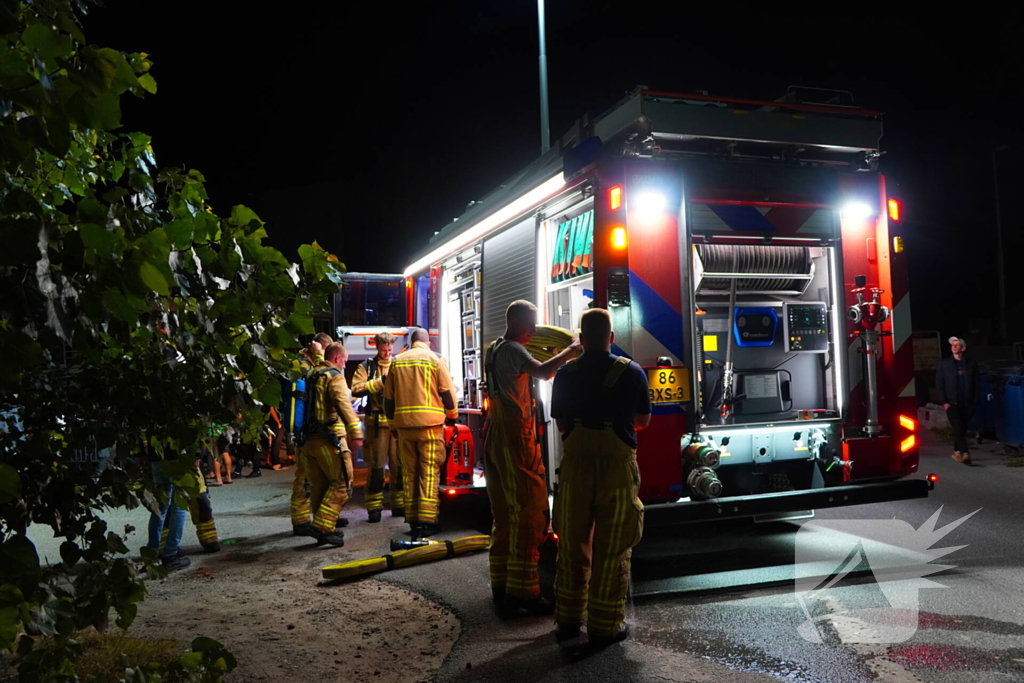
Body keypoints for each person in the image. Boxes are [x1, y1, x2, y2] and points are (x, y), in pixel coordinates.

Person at [550, 308, 650, 646]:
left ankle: (567, 621)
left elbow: (561, 423)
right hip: (617, 469)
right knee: (613, 546)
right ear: (612, 338)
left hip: (576, 467)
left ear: (580, 338)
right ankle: (604, 627)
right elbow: (643, 421)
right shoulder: (633, 372)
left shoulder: (565, 373)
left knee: (572, 543)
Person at [483, 300, 580, 616]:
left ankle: (501, 585)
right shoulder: (513, 350)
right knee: (530, 513)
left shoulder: (494, 349)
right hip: (515, 437)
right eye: (531, 324)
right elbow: (543, 372)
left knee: (505, 515)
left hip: (497, 434)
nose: (535, 331)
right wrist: (572, 349)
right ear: (514, 320)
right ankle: (523, 594)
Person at [383, 328, 458, 540]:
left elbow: (388, 400)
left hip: (405, 429)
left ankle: (413, 520)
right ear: (428, 342)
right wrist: (452, 415)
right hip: (430, 428)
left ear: (410, 341)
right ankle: (427, 522)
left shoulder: (397, 362)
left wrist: (393, 426)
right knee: (428, 473)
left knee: (410, 473)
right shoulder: (435, 360)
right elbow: (447, 392)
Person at [298, 342, 364, 546]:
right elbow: (343, 405)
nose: (345, 365)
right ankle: (323, 527)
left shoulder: (311, 373)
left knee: (320, 485)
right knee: (342, 483)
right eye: (344, 361)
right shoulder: (334, 376)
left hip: (308, 441)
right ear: (337, 359)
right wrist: (356, 433)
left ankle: (323, 525)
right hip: (330, 439)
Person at [352, 331, 403, 523]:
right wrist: (380, 382)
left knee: (399, 467)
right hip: (376, 426)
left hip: (396, 425)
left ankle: (399, 504)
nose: (387, 354)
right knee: (377, 468)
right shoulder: (367, 366)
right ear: (377, 348)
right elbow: (356, 388)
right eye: (383, 350)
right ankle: (374, 507)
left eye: (390, 350)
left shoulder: (398, 364)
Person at [290, 333, 333, 535]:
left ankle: (322, 518)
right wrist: (318, 357)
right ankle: (300, 522)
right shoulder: (302, 365)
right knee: (304, 476)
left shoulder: (308, 363)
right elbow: (317, 376)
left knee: (319, 476)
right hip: (306, 430)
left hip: (316, 428)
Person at [935, 336, 979, 465]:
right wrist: (944, 402)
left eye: (957, 345)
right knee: (958, 428)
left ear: (963, 348)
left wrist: (975, 402)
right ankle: (965, 453)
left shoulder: (971, 364)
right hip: (951, 403)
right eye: (952, 345)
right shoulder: (944, 364)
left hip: (968, 403)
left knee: (962, 429)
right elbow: (939, 383)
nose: (953, 347)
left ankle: (956, 450)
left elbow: (976, 383)